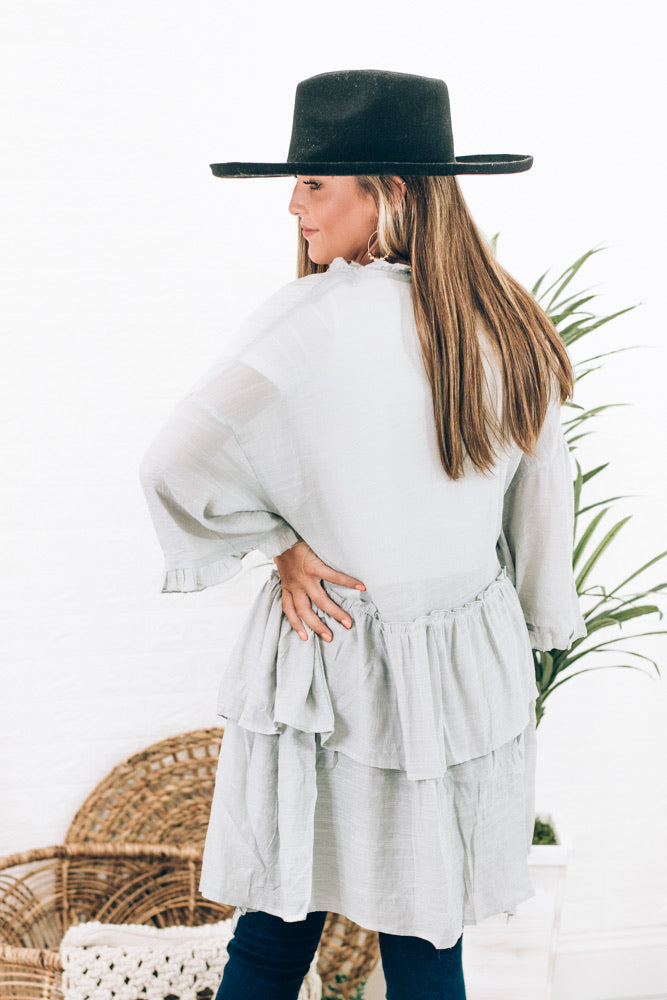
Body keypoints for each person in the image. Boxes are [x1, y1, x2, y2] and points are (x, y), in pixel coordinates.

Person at [140, 70, 586, 1000]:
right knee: (427, 942)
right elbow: (543, 502)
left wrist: (280, 544)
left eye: (313, 183)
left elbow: (174, 460)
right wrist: (531, 627)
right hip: (463, 670)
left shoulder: (313, 320)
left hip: (329, 658)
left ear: (388, 192)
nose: (293, 206)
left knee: (273, 936)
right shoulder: (512, 323)